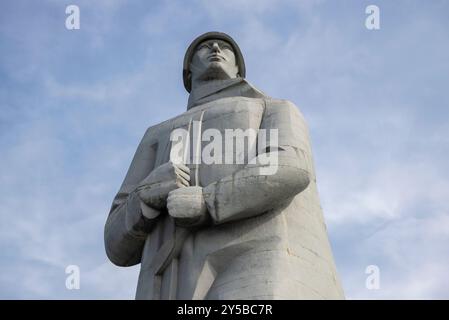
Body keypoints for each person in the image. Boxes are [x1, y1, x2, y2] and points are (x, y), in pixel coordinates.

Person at [104, 31, 344, 299]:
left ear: (239, 67)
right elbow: (116, 246)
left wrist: (209, 200)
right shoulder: (156, 135)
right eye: (203, 47)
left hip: (259, 261)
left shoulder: (274, 108)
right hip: (165, 283)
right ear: (187, 73)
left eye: (227, 48)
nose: (216, 48)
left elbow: (290, 167)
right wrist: (144, 198)